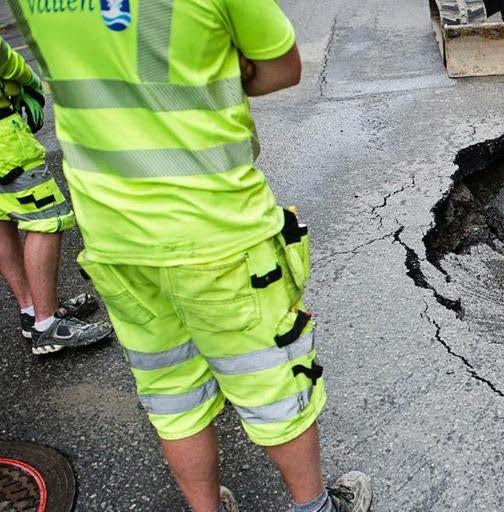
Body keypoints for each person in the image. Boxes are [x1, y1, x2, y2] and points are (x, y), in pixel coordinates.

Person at [9, 1, 371, 511]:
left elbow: (65, 71)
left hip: (114, 233)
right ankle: (315, 507)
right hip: (216, 229)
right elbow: (281, 68)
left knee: (172, 390)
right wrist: (207, 74)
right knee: (268, 379)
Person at [0, 37, 112, 355]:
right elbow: (7, 60)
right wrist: (26, 79)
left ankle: (31, 311)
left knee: (2, 218)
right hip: (5, 146)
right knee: (48, 219)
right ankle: (47, 325)